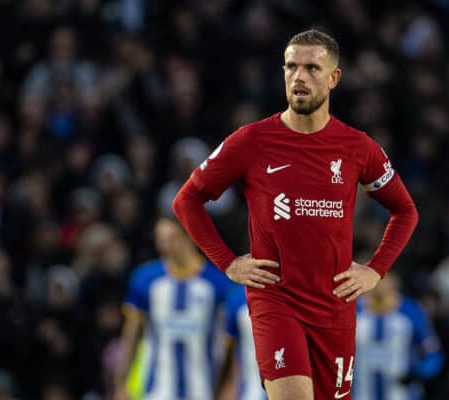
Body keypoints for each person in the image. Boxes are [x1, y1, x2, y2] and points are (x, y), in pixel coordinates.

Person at [172, 29, 418, 400]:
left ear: (334, 78)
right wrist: (226, 263)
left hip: (335, 307)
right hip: (276, 301)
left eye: (312, 68)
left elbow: (405, 210)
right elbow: (187, 199)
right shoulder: (251, 141)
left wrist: (375, 270)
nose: (299, 77)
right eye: (291, 67)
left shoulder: (358, 147)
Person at [113, 217, 231, 400]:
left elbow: (228, 343)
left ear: (190, 236)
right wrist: (121, 383)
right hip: (157, 390)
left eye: (171, 238)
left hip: (202, 390)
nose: (164, 245)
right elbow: (131, 334)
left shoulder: (217, 284)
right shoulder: (145, 279)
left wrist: (227, 387)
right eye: (160, 239)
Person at [354, 272, 444, 400]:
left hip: (402, 393)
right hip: (359, 392)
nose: (380, 284)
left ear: (395, 281)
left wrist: (417, 374)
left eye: (384, 278)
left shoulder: (412, 311)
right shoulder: (352, 309)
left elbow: (432, 352)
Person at [216, 285, 267, 400]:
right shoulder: (238, 298)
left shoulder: (297, 293)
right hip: (251, 391)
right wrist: (226, 386)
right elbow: (229, 350)